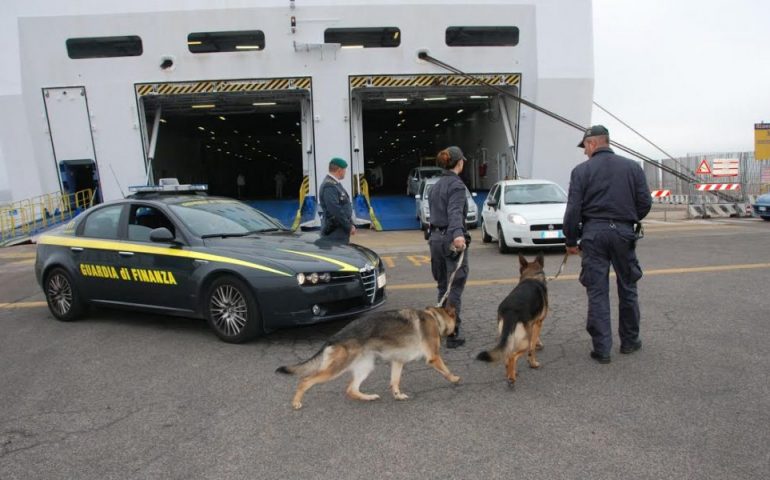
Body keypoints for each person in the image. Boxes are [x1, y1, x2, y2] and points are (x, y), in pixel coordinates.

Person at [563, 125, 652, 364]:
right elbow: (645, 203)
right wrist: (628, 218)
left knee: (597, 291)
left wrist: (571, 240)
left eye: (585, 147)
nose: (584, 152)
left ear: (592, 144)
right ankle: (630, 342)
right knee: (628, 287)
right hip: (624, 233)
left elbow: (573, 210)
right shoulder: (632, 167)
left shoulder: (581, 172)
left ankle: (602, 349)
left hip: (594, 234)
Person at [428, 146, 470, 348]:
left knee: (443, 285)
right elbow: (454, 212)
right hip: (449, 240)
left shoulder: (436, 185)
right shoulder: (456, 185)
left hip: (435, 239)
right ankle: (452, 332)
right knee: (454, 286)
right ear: (459, 163)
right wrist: (458, 235)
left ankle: (441, 327)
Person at [319, 157, 356, 244]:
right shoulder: (329, 186)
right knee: (338, 255)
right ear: (339, 170)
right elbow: (335, 209)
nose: (345, 173)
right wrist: (348, 226)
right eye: (344, 170)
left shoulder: (335, 184)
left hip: (339, 228)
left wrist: (351, 223)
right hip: (334, 231)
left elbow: (344, 206)